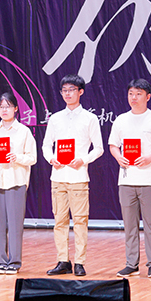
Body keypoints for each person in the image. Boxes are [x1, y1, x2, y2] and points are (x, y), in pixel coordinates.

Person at [108, 79, 151, 278]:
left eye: (138, 94)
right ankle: (131, 263)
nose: (134, 98)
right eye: (131, 94)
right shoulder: (121, 120)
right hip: (126, 181)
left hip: (149, 180)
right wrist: (118, 157)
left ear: (148, 96)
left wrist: (150, 157)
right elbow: (113, 145)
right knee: (130, 225)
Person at [42, 74, 104, 277]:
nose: (67, 94)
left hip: (78, 177)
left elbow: (99, 148)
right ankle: (63, 260)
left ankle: (79, 262)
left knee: (80, 221)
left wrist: (83, 160)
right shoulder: (55, 118)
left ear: (81, 92)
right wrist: (52, 159)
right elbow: (46, 145)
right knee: (59, 221)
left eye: (72, 90)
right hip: (58, 177)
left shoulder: (89, 118)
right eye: (64, 90)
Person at [0, 92, 37, 275]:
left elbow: (32, 158)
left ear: (15, 109)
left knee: (15, 224)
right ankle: (1, 262)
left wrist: (17, 157)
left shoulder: (23, 131)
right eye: (1, 107)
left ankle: (14, 261)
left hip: (16, 181)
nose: (4, 110)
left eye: (8, 106)